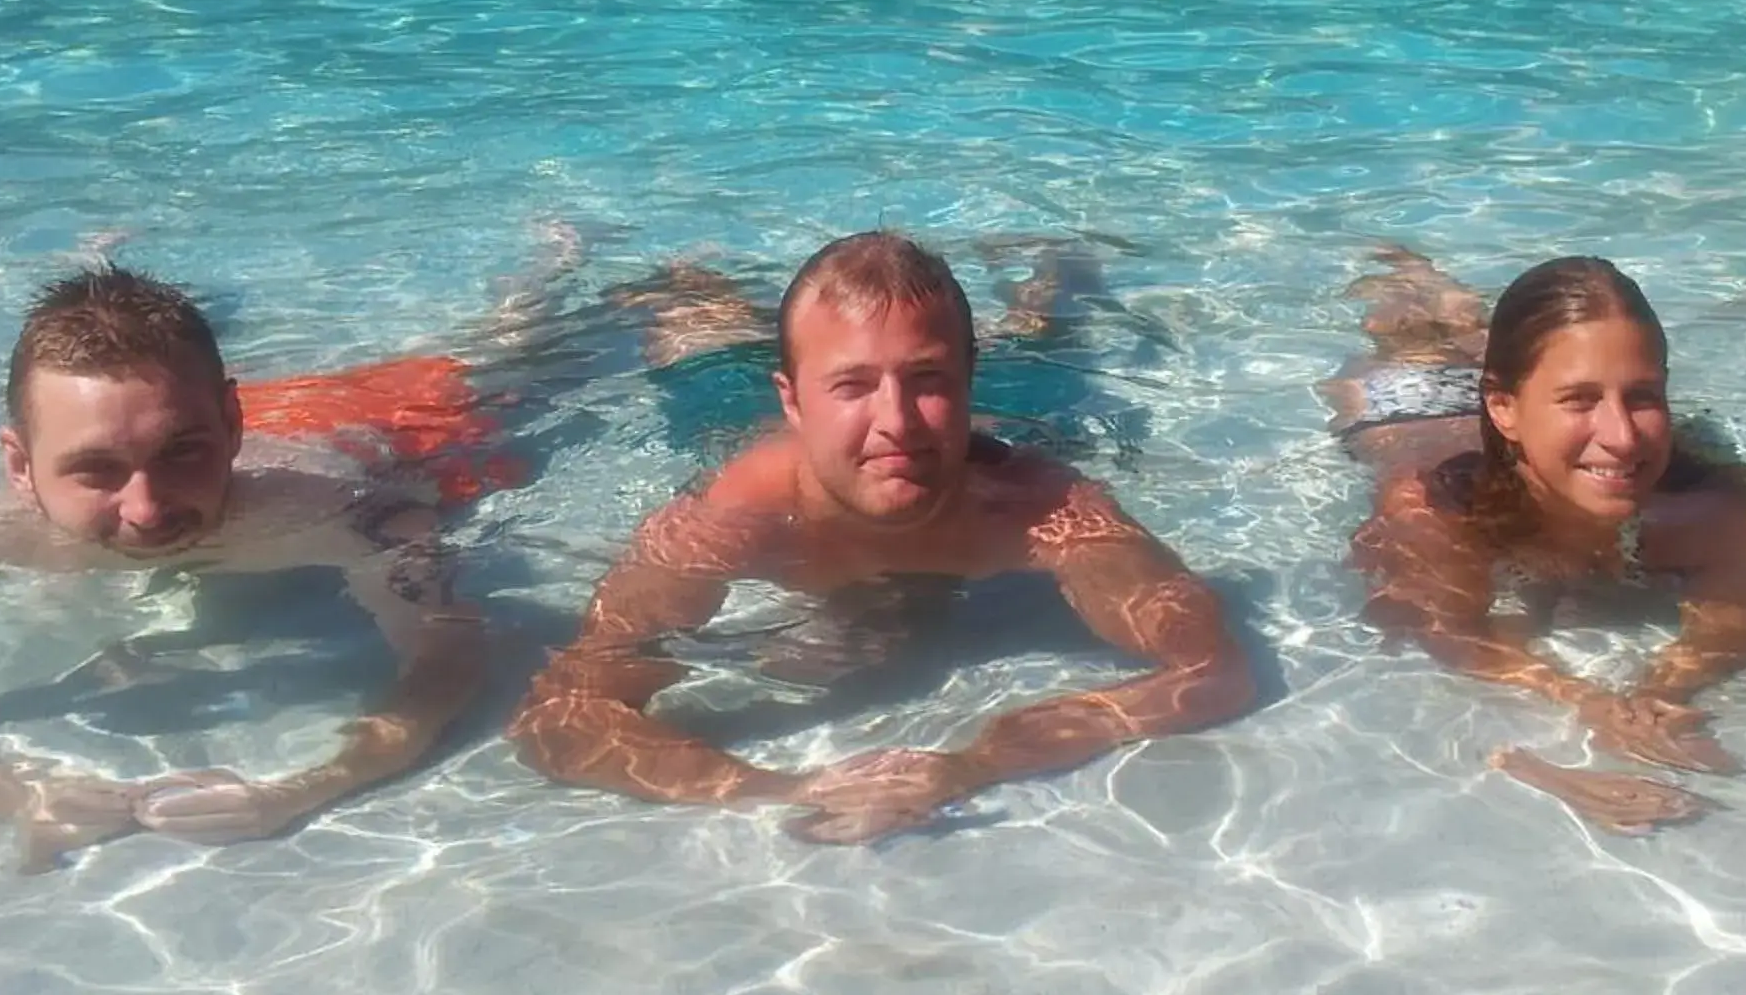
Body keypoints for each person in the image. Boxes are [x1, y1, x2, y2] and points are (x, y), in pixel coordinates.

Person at [0, 254, 578, 869]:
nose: (146, 509)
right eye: (96, 470)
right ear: (15, 464)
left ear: (230, 429)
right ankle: (115, 268)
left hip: (393, 423)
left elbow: (450, 659)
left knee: (510, 355)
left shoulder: (348, 517)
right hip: (217, 404)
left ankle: (547, 267)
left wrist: (305, 788)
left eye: (183, 455)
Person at [508, 231, 1250, 840]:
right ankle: (684, 272)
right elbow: (560, 716)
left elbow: (1214, 671)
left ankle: (1056, 267)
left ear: (965, 384)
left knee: (1049, 335)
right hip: (719, 406)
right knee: (693, 322)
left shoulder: (1042, 506)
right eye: (853, 386)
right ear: (793, 403)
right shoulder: (728, 519)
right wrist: (790, 788)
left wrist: (975, 763)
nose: (896, 421)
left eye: (928, 381)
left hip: (1019, 399)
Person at [1335, 248, 1746, 834]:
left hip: (1516, 413)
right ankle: (1414, 276)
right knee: (1410, 334)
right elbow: (1440, 640)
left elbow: (1726, 636)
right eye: (1581, 399)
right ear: (1501, 408)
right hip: (1410, 408)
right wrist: (1580, 705)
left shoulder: (1725, 518)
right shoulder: (1434, 511)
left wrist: (1651, 698)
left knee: (1494, 341)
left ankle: (1479, 325)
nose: (1622, 438)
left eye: (1643, 396)